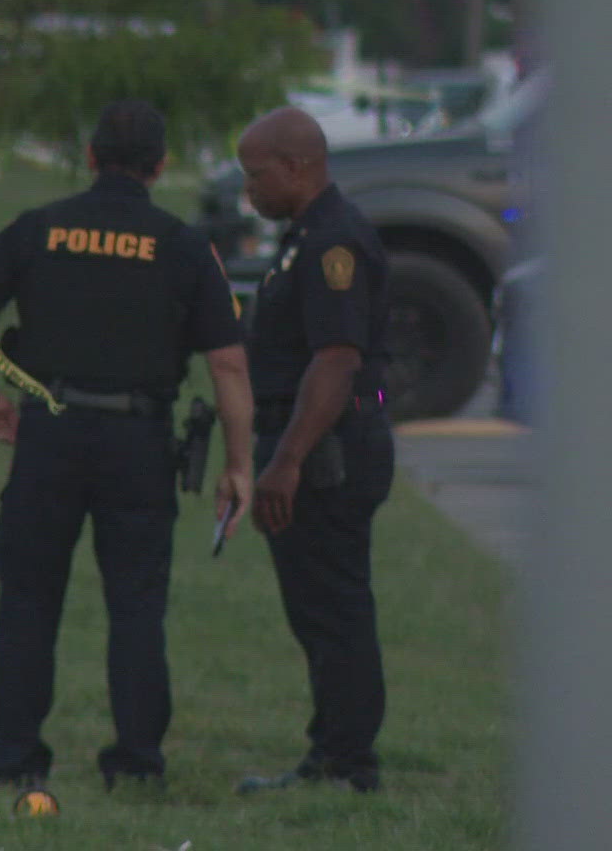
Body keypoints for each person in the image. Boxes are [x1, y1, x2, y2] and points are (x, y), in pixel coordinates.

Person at [0, 99, 256, 791]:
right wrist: (240, 465)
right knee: (135, 605)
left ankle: (14, 761)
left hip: (50, 435)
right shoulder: (183, 246)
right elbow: (229, 365)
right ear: (160, 167)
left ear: (90, 158)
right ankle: (136, 765)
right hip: (138, 441)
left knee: (28, 599)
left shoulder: (41, 229)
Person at [230, 106, 395, 794]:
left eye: (257, 173)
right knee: (318, 608)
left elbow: (335, 360)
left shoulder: (334, 243)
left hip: (327, 450)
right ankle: (332, 752)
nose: (250, 190)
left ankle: (346, 762)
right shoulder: (304, 237)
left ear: (298, 165)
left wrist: (288, 459)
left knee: (334, 608)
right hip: (311, 442)